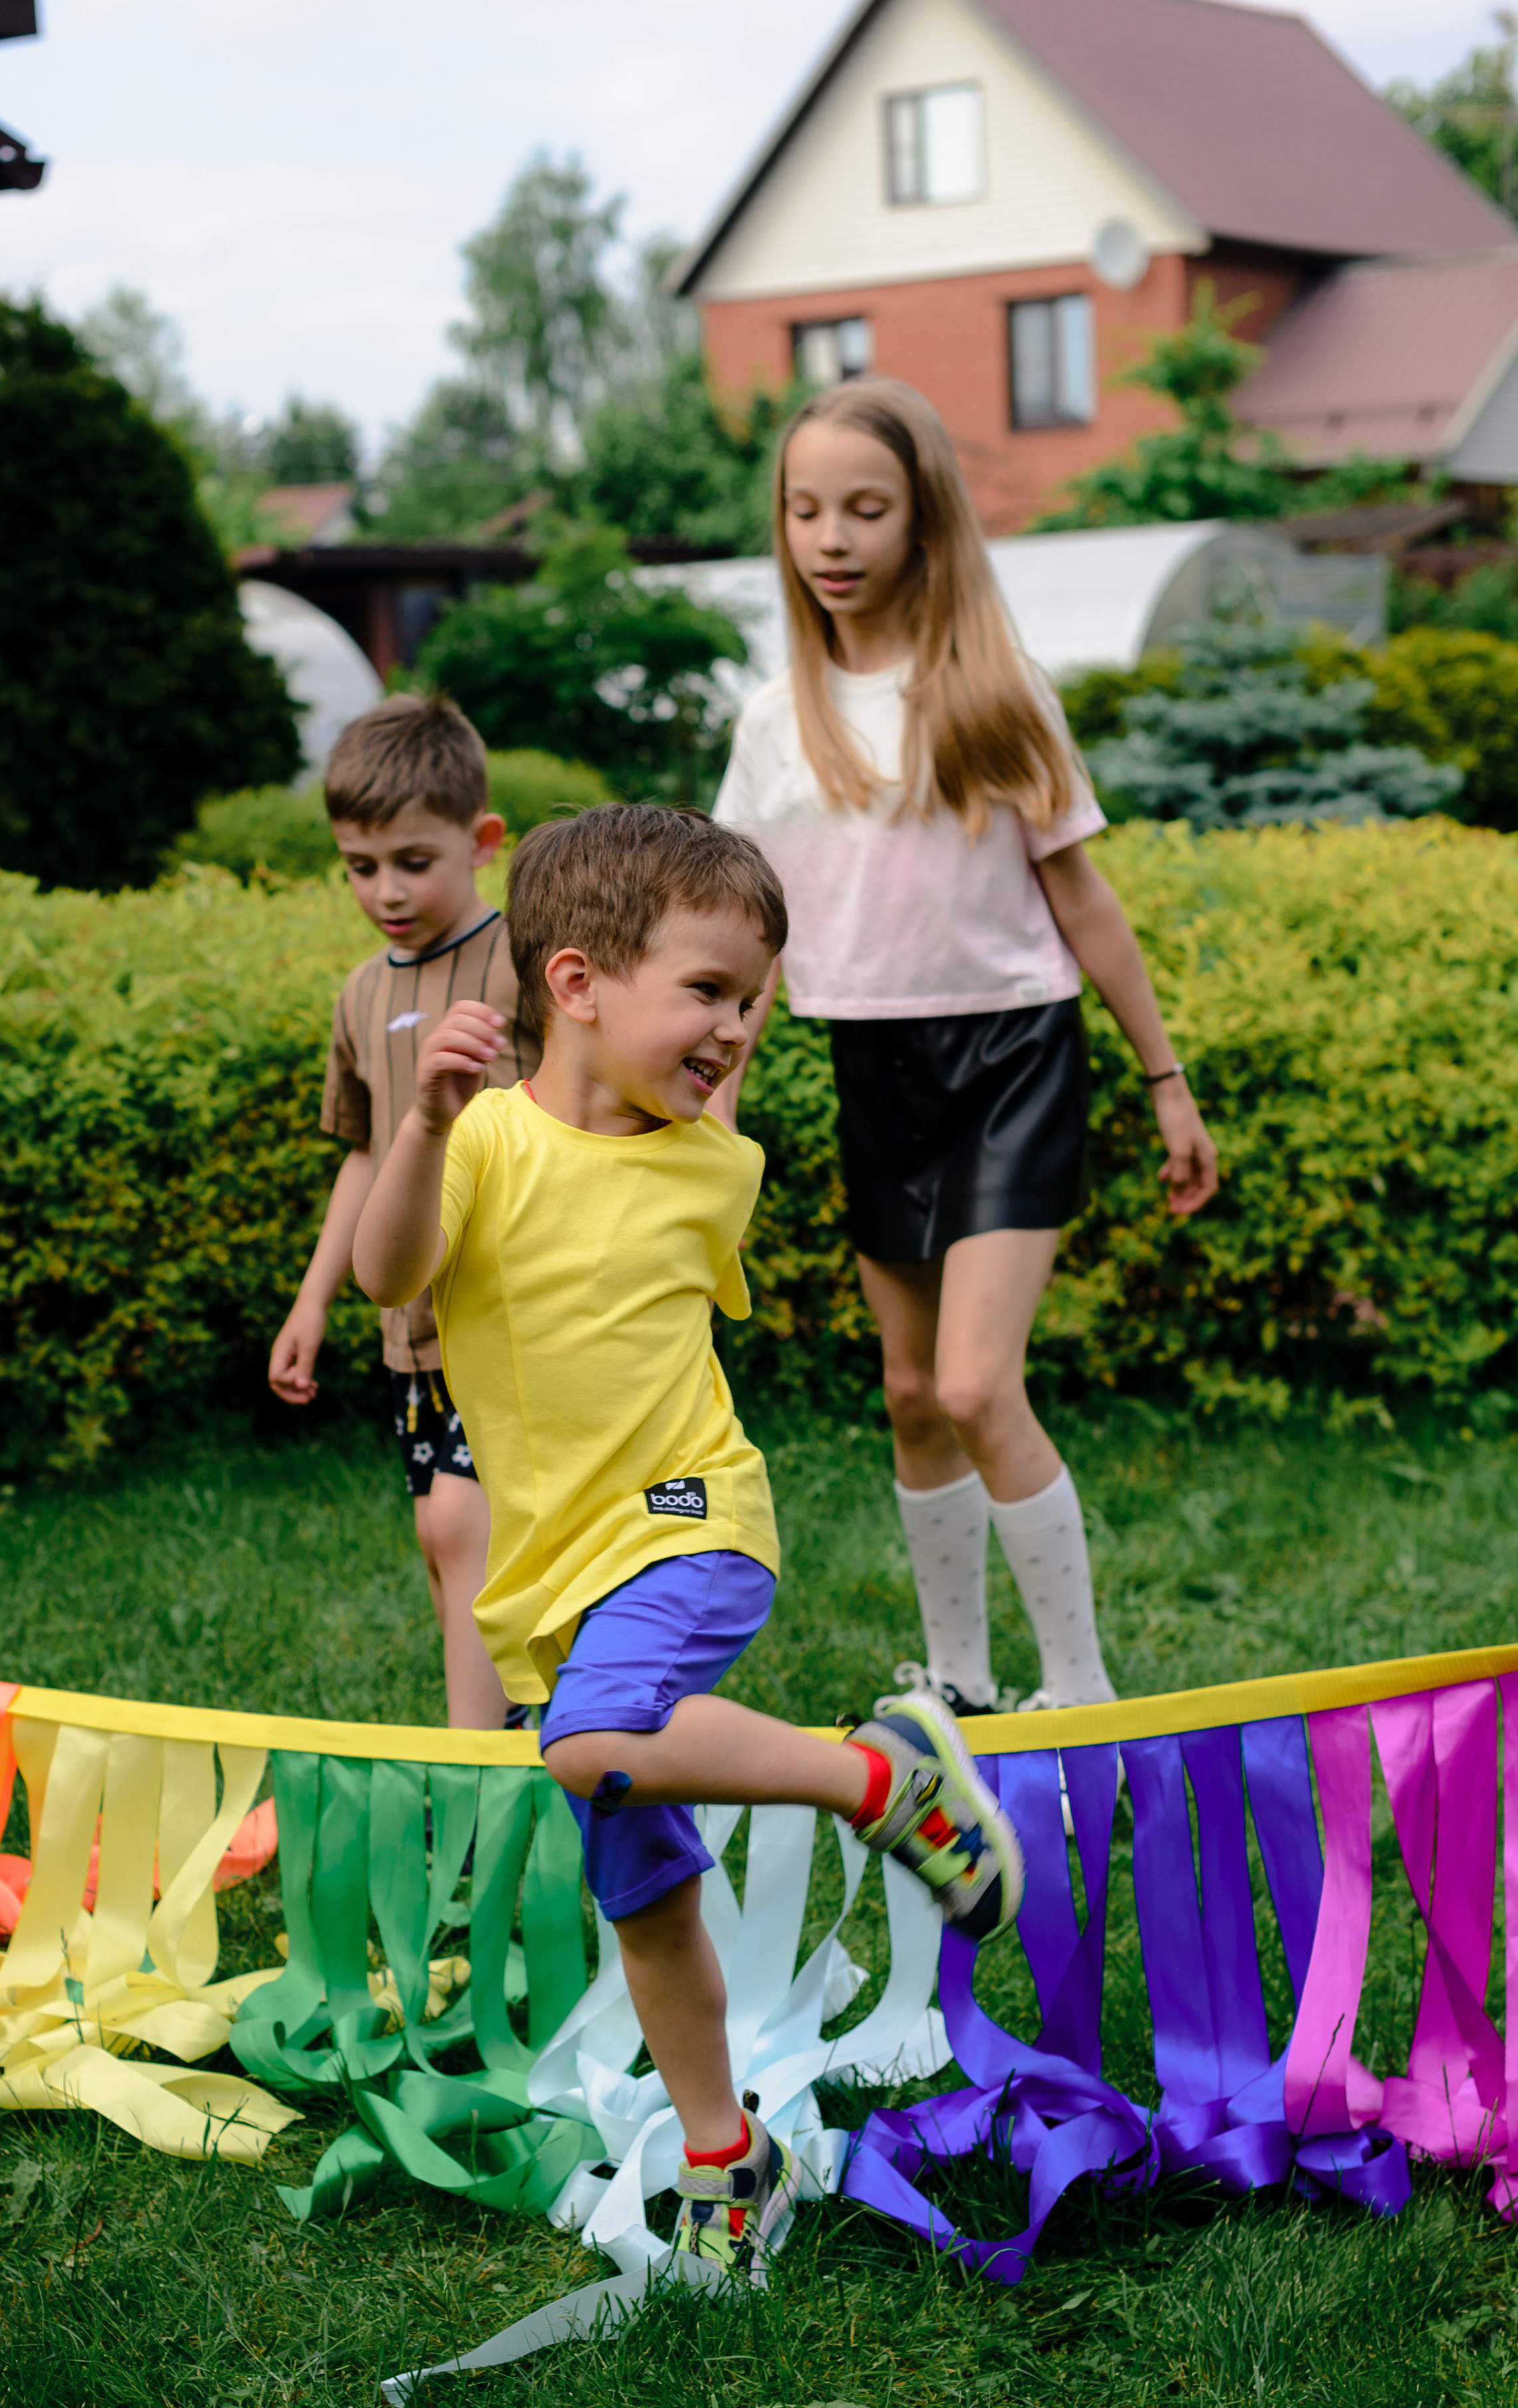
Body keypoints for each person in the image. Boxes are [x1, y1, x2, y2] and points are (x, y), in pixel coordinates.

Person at [352, 802, 1025, 2283]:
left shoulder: (714, 1166)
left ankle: (879, 1775)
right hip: (550, 1581)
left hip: (689, 1528)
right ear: (577, 984)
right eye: (710, 991)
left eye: (755, 998)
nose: (740, 1026)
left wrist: (673, 1075)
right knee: (645, 1899)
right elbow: (386, 1275)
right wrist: (419, 1125)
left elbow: (661, 1155)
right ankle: (730, 2154)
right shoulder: (479, 1145)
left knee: (594, 1745)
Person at [711, 379, 1218, 1718]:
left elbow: (1081, 902)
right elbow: (743, 941)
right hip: (870, 1068)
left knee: (975, 1381)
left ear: (921, 521)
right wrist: (715, 1099)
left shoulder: (994, 693)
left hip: (1011, 1058)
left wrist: (1164, 1082)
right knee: (907, 1392)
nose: (830, 537)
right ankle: (958, 1683)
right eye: (805, 509)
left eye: (863, 509)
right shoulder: (775, 720)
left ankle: (1080, 1691)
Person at [268, 693, 540, 1729]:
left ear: (481, 842)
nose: (385, 890)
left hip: (509, 1320)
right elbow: (370, 1156)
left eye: (413, 861)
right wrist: (312, 1301)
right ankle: (516, 1734)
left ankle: (470, 1780)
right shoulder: (359, 994)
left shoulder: (526, 961)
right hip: (410, 1334)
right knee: (444, 1541)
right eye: (359, 865)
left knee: (466, 1529)